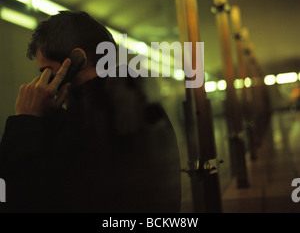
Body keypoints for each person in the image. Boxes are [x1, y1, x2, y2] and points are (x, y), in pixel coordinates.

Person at [0, 11, 181, 213]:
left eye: (46, 72)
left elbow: (18, 200)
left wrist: (25, 122)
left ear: (77, 59)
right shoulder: (139, 103)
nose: (44, 83)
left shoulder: (90, 119)